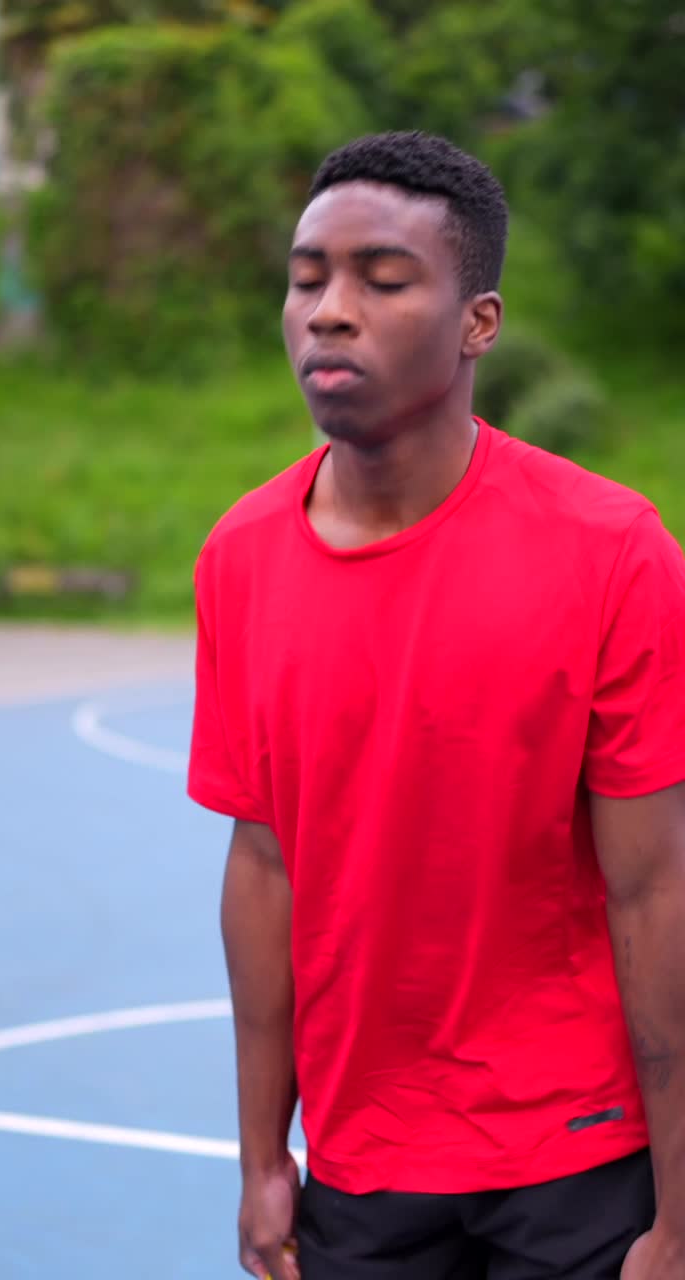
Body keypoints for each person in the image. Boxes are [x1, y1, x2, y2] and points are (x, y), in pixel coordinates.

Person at [188, 131, 685, 1279]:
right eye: (308, 277)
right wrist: (264, 1155)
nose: (330, 310)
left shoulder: (612, 550)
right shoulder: (241, 557)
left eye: (384, 278)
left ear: (479, 323)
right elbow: (261, 863)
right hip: (365, 1159)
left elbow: (655, 886)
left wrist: (678, 1210)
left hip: (577, 1153)